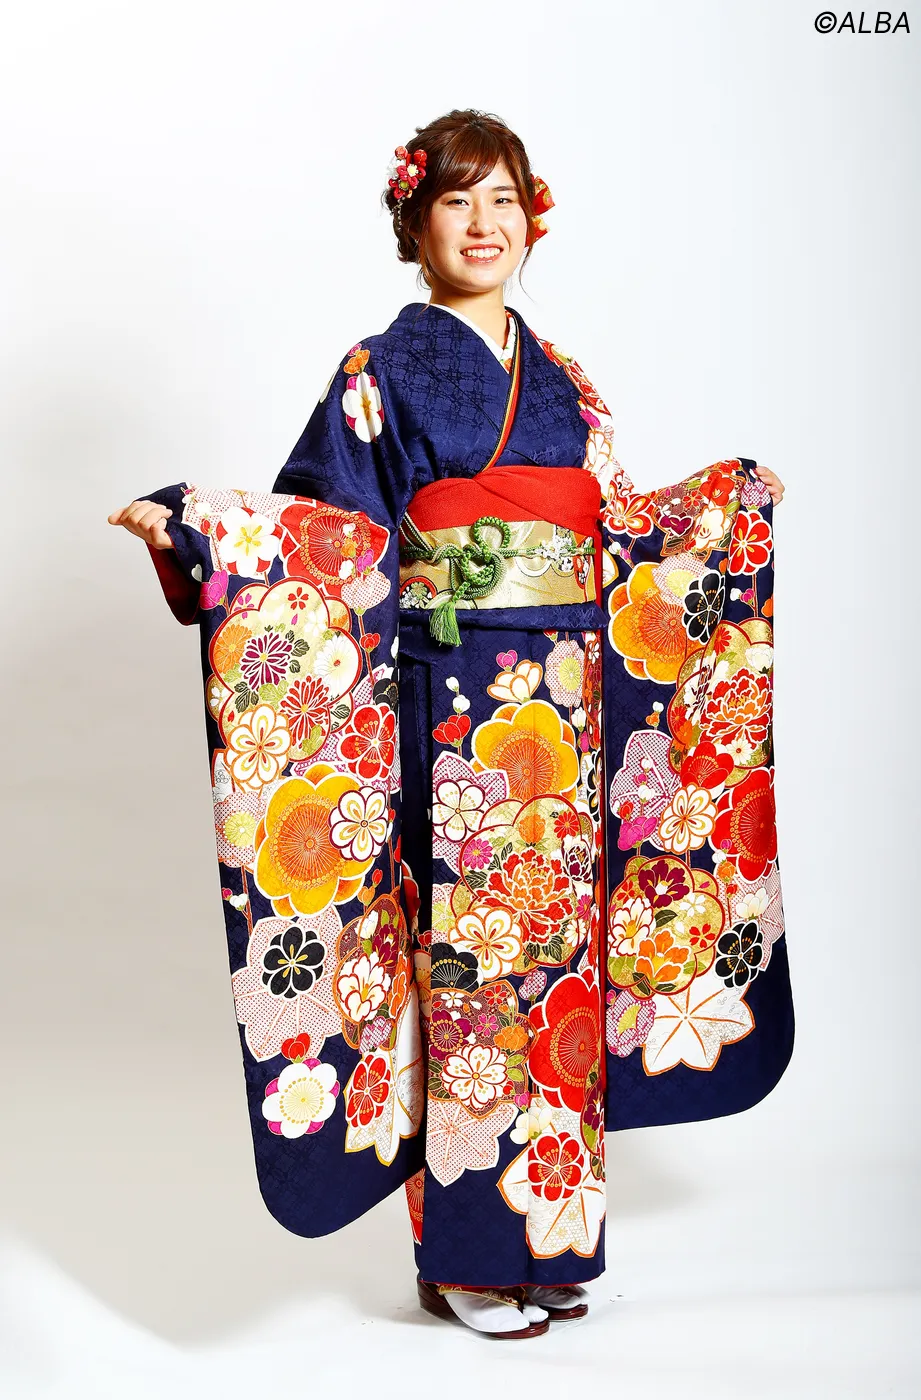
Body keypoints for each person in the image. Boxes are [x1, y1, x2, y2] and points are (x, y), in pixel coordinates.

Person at [108, 108, 790, 1340]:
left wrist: (725, 504)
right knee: (468, 968)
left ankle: (548, 1231)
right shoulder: (380, 370)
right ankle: (468, 1258)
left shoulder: (568, 381)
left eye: (503, 199)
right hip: (455, 705)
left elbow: (620, 530)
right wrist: (203, 527)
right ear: (415, 224)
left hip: (571, 703)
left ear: (534, 216)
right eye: (457, 201)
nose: (484, 225)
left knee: (558, 962)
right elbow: (332, 534)